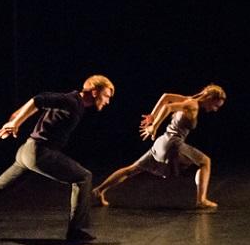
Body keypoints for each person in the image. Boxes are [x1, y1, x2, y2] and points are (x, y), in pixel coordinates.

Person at [0, 75, 115, 243]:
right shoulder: (72, 100)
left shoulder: (75, 104)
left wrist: (16, 116)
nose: (108, 101)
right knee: (84, 177)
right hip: (39, 152)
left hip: (27, 152)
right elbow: (39, 99)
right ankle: (76, 231)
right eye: (106, 96)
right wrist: (15, 122)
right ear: (94, 91)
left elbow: (39, 103)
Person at [92, 84, 226, 209]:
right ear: (209, 98)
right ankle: (201, 200)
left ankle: (99, 190)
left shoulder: (187, 100)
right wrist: (154, 126)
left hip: (161, 142)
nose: (215, 110)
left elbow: (166, 97)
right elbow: (168, 107)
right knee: (205, 162)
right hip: (173, 144)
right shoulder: (192, 105)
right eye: (216, 105)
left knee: (131, 170)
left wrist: (152, 116)